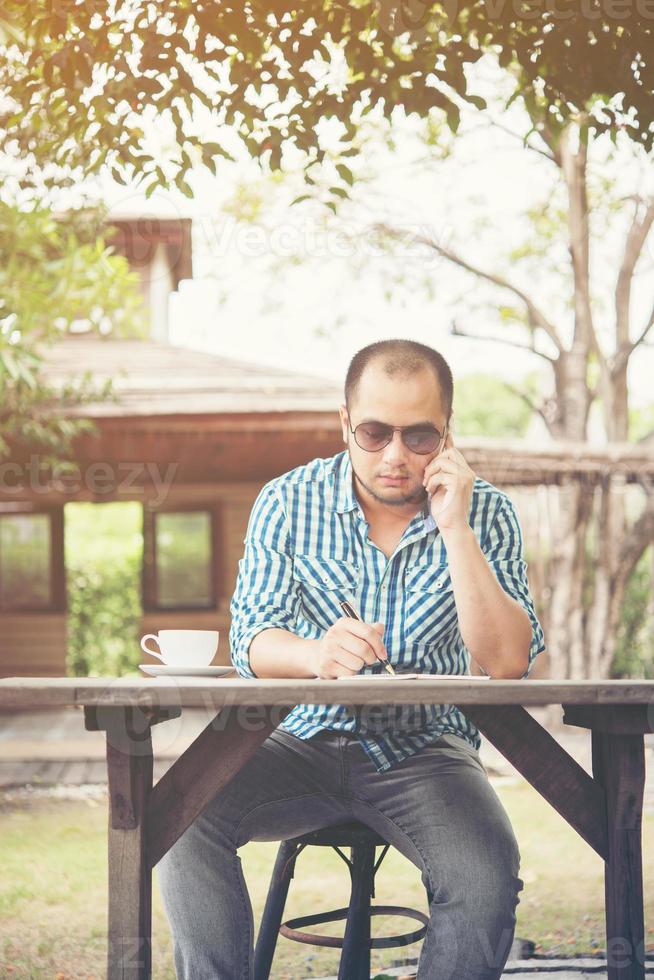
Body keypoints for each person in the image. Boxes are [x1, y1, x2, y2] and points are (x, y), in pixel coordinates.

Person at [157, 338, 546, 979]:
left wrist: (456, 529)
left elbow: (506, 663)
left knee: (484, 879)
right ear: (344, 423)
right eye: (374, 432)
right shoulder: (287, 500)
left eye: (419, 436)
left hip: (424, 751)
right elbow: (251, 638)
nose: (395, 456)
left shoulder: (487, 512)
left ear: (447, 434)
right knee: (179, 817)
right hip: (295, 741)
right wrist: (315, 653)